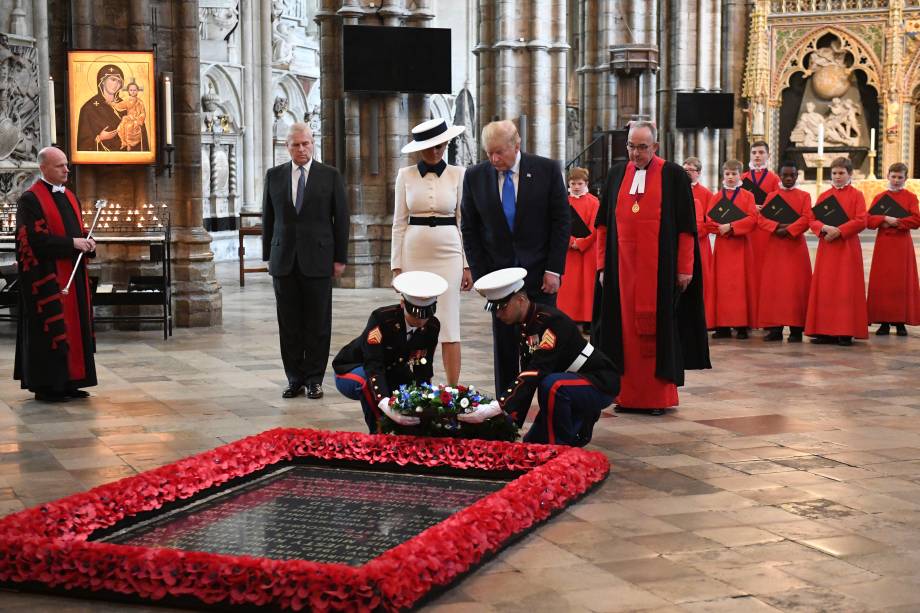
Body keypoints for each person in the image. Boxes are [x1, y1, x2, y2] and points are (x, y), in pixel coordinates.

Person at [593, 121, 710, 416]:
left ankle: (656, 398)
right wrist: (602, 266)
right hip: (621, 273)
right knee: (621, 334)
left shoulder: (672, 175)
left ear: (655, 147)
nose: (635, 153)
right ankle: (626, 395)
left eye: (642, 147)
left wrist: (685, 268)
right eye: (631, 146)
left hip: (660, 272)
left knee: (656, 334)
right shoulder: (617, 173)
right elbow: (603, 227)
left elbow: (686, 229)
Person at [460, 120, 570, 394]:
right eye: (489, 153)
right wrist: (482, 275)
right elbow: (470, 228)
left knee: (545, 346)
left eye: (500, 152)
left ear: (516, 145)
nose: (494, 159)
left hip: (541, 275)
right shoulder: (475, 176)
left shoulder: (546, 170)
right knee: (505, 349)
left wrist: (554, 270)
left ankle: (549, 407)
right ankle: (506, 411)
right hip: (499, 278)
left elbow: (561, 223)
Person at [469, 268, 618, 446]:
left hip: (599, 381)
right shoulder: (525, 325)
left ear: (520, 300)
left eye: (502, 307)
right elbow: (527, 377)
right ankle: (574, 426)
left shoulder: (551, 322)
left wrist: (500, 405)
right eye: (495, 310)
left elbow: (537, 370)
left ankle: (560, 449)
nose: (498, 314)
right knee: (532, 443)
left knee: (552, 385)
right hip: (570, 382)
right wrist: (508, 425)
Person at [262, 122, 348, 399]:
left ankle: (314, 378)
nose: (302, 149)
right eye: (296, 144)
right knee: (288, 324)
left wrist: (340, 258)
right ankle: (294, 378)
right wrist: (268, 254)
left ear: (313, 143)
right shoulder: (274, 176)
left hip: (319, 259)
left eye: (306, 143)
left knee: (318, 323)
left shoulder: (329, 175)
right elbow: (269, 218)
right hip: (284, 259)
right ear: (286, 146)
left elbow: (341, 219)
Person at [391, 118, 472, 386]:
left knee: (449, 320)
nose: (435, 152)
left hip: (449, 250)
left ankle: (452, 388)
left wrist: (467, 264)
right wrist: (396, 265)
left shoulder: (459, 174)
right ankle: (414, 383)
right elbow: (399, 222)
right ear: (418, 149)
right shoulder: (405, 175)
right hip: (414, 249)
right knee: (414, 318)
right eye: (429, 148)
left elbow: (464, 221)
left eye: (439, 146)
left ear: (447, 143)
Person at [14, 147, 97, 401]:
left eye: (66, 165)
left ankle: (72, 380)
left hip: (72, 273)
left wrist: (88, 242)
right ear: (43, 168)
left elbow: (77, 231)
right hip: (47, 278)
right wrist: (73, 243)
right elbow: (35, 242)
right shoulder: (30, 200)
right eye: (60, 165)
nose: (66, 169)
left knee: (75, 326)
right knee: (53, 328)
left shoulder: (71, 196)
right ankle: (48, 386)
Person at [332, 271, 445, 433]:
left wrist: (424, 407)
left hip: (392, 370)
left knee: (411, 392)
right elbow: (373, 364)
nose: (421, 321)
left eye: (426, 315)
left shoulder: (432, 326)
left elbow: (424, 366)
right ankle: (378, 434)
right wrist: (385, 403)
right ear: (402, 304)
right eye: (415, 314)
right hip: (354, 368)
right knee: (368, 383)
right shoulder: (382, 319)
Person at [805, 157, 868, 346]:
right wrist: (824, 228)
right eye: (834, 173)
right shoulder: (824, 196)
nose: (838, 176)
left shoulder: (857, 195)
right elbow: (811, 218)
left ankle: (845, 331)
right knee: (826, 287)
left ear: (850, 174)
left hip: (847, 247)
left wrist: (839, 231)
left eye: (841, 173)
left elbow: (861, 220)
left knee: (845, 288)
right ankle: (824, 330)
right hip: (828, 247)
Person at [755, 161, 813, 342]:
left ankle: (796, 329)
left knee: (795, 287)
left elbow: (807, 218)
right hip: (775, 246)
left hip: (795, 246)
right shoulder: (772, 196)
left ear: (797, 176)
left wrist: (788, 230)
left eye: (792, 175)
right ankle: (775, 328)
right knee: (775, 287)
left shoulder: (804, 196)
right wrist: (776, 227)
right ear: (779, 176)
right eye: (785, 175)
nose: (788, 178)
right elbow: (761, 218)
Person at [706, 159, 759, 340]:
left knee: (740, 286)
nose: (730, 177)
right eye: (727, 174)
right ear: (723, 176)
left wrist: (731, 226)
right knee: (722, 286)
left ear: (740, 175)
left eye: (734, 174)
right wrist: (719, 228)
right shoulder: (716, 196)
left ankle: (741, 325)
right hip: (723, 246)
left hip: (740, 246)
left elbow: (753, 219)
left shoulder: (747, 196)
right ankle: (722, 326)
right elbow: (709, 220)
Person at [866, 162, 920, 336]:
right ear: (888, 176)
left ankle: (900, 321)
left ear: (906, 179)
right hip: (884, 244)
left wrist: (897, 222)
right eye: (893, 176)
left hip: (902, 244)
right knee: (883, 282)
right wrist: (884, 218)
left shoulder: (911, 197)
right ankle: (883, 322)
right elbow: (869, 220)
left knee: (901, 282)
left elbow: (917, 220)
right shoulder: (880, 197)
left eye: (900, 177)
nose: (896, 180)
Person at [741, 141, 781, 326]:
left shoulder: (774, 179)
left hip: (765, 232)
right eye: (754, 152)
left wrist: (763, 208)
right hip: (748, 231)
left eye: (761, 152)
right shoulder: (742, 177)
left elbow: (779, 206)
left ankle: (765, 316)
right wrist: (750, 207)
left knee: (765, 273)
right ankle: (748, 316)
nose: (757, 156)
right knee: (748, 272)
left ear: (768, 155)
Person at [557, 166, 600, 327]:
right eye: (573, 183)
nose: (576, 186)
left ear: (586, 183)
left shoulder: (594, 202)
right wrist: (570, 241)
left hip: (588, 250)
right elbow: (559, 224)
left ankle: (588, 319)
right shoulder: (563, 202)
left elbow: (595, 226)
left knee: (587, 286)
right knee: (569, 286)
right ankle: (569, 317)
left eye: (579, 183)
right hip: (568, 251)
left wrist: (581, 243)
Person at [76, 64, 149, 152]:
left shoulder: (128, 104)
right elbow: (83, 145)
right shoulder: (89, 108)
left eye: (119, 82)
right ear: (102, 81)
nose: (116, 84)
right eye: (113, 79)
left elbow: (141, 131)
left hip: (127, 158)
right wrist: (99, 138)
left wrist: (136, 129)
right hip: (100, 163)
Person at [683, 157, 714, 327]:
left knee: (702, 281)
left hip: (700, 243)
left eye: (690, 170)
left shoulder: (706, 194)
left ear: (699, 173)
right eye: (684, 170)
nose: (687, 173)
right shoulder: (677, 190)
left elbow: (710, 220)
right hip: (682, 242)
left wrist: (695, 234)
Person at [111, 81, 147, 151]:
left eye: (134, 90)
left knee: (128, 127)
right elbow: (120, 105)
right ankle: (124, 142)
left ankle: (130, 144)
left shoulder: (140, 102)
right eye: (131, 90)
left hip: (136, 119)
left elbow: (143, 113)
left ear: (137, 91)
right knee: (120, 127)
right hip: (128, 118)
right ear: (128, 91)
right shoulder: (127, 100)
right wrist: (113, 104)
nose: (133, 92)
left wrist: (139, 121)